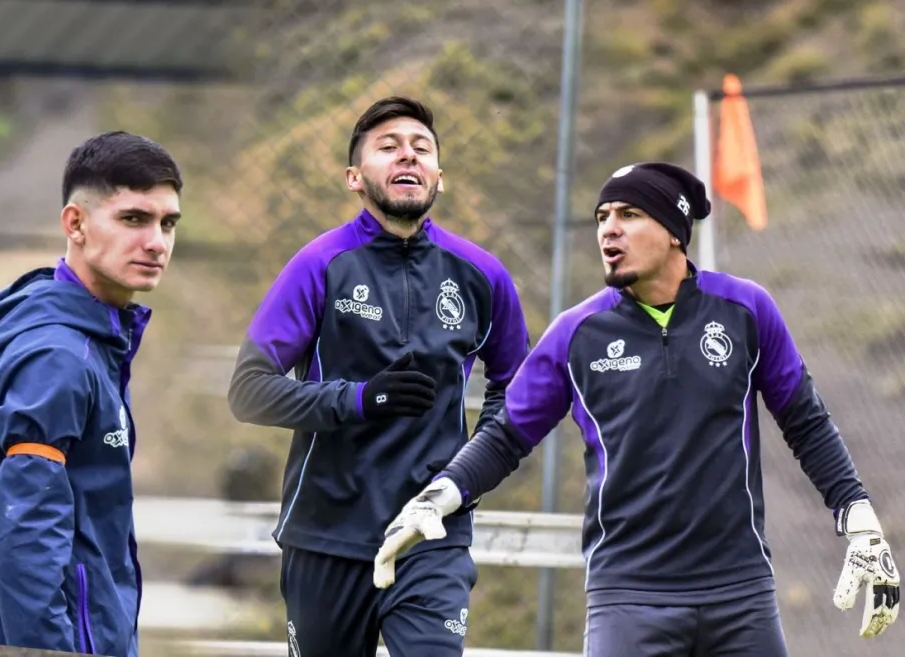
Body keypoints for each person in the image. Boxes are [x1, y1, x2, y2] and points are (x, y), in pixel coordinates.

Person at [373, 162, 901, 655]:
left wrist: (859, 519)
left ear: (675, 230)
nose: (608, 230)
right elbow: (508, 435)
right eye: (602, 218)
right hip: (627, 600)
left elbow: (805, 422)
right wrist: (441, 494)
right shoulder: (575, 334)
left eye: (629, 215)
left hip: (742, 595)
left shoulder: (745, 310)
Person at [227, 95, 530, 656]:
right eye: (388, 148)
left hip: (430, 532)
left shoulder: (482, 274)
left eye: (421, 149)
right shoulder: (319, 265)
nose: (407, 157)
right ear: (354, 177)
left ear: (441, 176)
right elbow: (248, 391)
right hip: (326, 533)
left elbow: (518, 391)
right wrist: (360, 399)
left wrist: (464, 477)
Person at [0, 131, 183, 657]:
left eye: (168, 222)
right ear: (75, 224)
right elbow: (26, 541)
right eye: (133, 218)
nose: (157, 241)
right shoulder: (58, 359)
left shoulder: (92, 344)